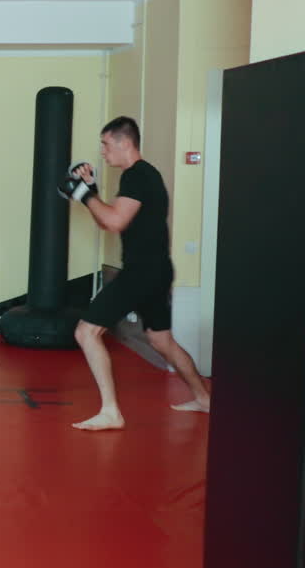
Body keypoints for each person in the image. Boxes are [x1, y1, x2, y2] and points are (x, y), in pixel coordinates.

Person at [60, 116, 211, 430]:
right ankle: (205, 398)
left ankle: (111, 412)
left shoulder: (138, 176)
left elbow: (114, 222)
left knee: (86, 332)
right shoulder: (142, 176)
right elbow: (110, 221)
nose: (102, 152)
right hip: (156, 269)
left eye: (105, 144)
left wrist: (83, 194)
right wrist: (90, 191)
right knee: (162, 341)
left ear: (123, 142)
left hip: (142, 272)